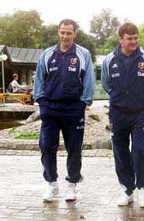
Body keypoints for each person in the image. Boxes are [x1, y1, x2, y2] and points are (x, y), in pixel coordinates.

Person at [33, 19, 95, 202]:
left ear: (75, 33)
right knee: (46, 147)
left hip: (73, 109)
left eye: (69, 33)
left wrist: (83, 104)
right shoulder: (47, 54)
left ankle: (72, 184)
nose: (65, 36)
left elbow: (89, 81)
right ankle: (51, 183)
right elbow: (38, 81)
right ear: (58, 32)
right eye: (62, 32)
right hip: (50, 110)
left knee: (74, 149)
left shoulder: (83, 54)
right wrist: (42, 104)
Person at [101, 22, 144, 208]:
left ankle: (142, 188)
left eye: (136, 38)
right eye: (129, 38)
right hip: (118, 113)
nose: (134, 41)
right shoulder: (109, 60)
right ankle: (127, 189)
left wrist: (141, 98)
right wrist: (120, 99)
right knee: (120, 151)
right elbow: (106, 84)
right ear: (121, 39)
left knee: (140, 149)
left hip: (141, 112)